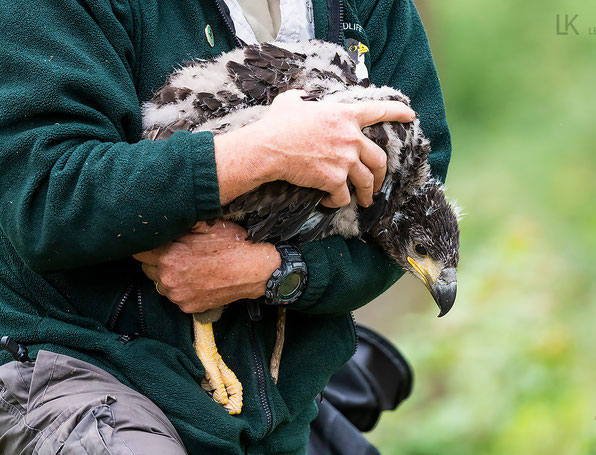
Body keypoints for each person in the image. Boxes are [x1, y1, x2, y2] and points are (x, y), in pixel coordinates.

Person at [0, 0, 451, 453]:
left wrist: (275, 272)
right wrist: (258, 154)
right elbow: (44, 196)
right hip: (79, 371)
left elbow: (407, 200)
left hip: (277, 406)